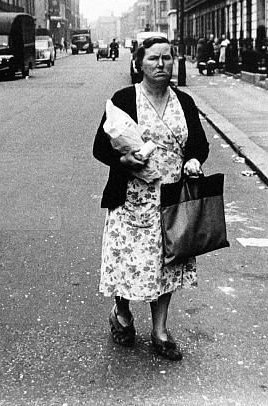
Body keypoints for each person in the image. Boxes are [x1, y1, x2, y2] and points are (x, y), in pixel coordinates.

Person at [93, 36, 209, 361]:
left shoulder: (184, 102)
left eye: (167, 58)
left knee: (167, 264)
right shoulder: (123, 98)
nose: (161, 64)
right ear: (139, 64)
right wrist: (123, 162)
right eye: (153, 59)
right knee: (127, 261)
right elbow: (99, 147)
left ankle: (160, 329)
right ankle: (122, 312)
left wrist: (195, 161)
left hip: (172, 199)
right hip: (131, 198)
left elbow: (199, 145)